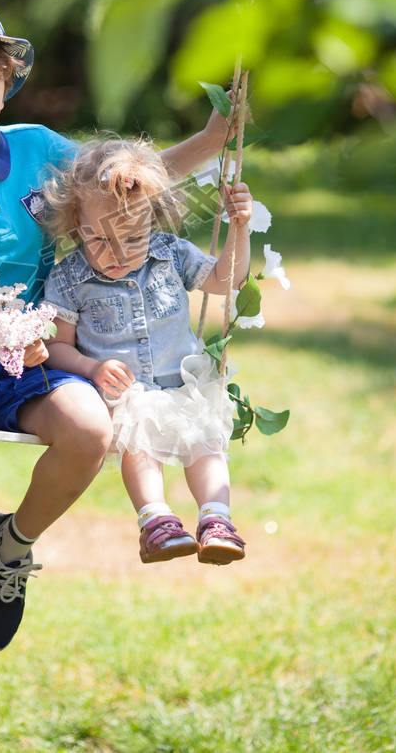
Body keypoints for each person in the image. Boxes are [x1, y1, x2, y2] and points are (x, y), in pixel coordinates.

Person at [0, 0, 238, 650]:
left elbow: (132, 178)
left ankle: (11, 543)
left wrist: (212, 140)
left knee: (91, 428)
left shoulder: (38, 151)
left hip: (39, 355)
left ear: (5, 90)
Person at [42, 137, 252, 566]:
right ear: (76, 221)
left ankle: (217, 520)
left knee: (205, 441)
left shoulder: (171, 256)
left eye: (133, 238)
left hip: (182, 384)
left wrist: (241, 227)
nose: (117, 254)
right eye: (100, 239)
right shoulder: (68, 279)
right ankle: (156, 522)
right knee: (140, 440)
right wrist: (92, 367)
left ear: (152, 220)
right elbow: (56, 347)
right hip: (127, 392)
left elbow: (225, 280)